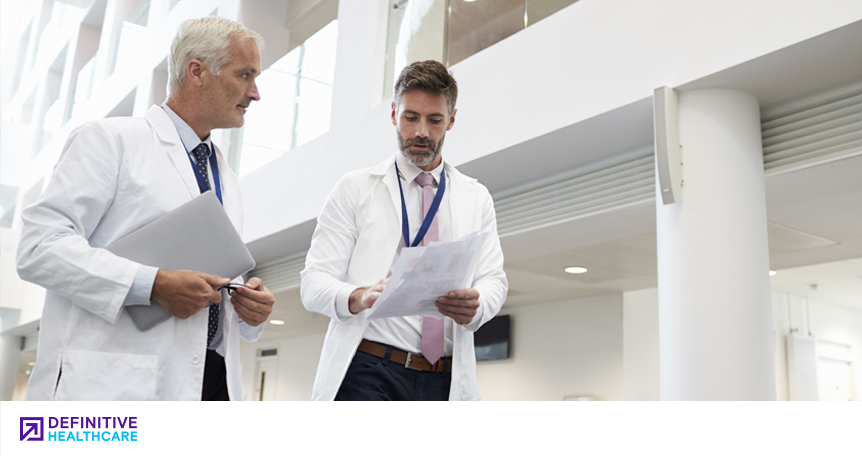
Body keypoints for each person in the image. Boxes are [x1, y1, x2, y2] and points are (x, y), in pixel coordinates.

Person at [16, 17, 275, 401]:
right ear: (197, 71)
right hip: (117, 384)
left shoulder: (227, 177)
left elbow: (211, 283)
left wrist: (249, 310)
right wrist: (152, 284)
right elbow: (39, 247)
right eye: (245, 75)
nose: (255, 93)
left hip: (210, 382)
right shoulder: (109, 141)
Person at [300, 60, 508, 400]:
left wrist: (479, 303)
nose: (421, 131)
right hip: (369, 369)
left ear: (451, 120)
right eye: (411, 117)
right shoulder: (355, 188)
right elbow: (313, 283)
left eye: (434, 119)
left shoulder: (476, 196)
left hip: (445, 377)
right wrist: (359, 296)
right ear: (394, 113)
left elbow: (494, 279)